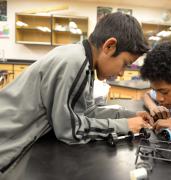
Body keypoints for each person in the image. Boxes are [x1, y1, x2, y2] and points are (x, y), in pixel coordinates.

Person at [0, 12, 152, 172]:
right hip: (7, 145)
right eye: (125, 63)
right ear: (109, 46)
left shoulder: (82, 60)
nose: (121, 72)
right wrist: (125, 126)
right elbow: (69, 130)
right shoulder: (74, 62)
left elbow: (87, 111)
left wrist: (129, 116)